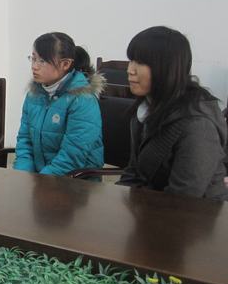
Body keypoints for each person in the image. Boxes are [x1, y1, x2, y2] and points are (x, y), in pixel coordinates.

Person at [117, 26, 227, 200]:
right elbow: (133, 173)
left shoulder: (198, 125)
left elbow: (183, 197)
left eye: (141, 62)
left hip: (195, 213)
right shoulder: (144, 110)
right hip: (152, 207)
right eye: (131, 60)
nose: (130, 69)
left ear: (168, 68)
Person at [13, 32, 104, 176]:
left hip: (76, 181)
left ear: (65, 64)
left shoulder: (82, 99)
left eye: (42, 61)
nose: (34, 66)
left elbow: (72, 156)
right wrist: (22, 176)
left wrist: (40, 181)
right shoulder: (34, 94)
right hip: (40, 178)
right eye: (33, 59)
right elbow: (25, 141)